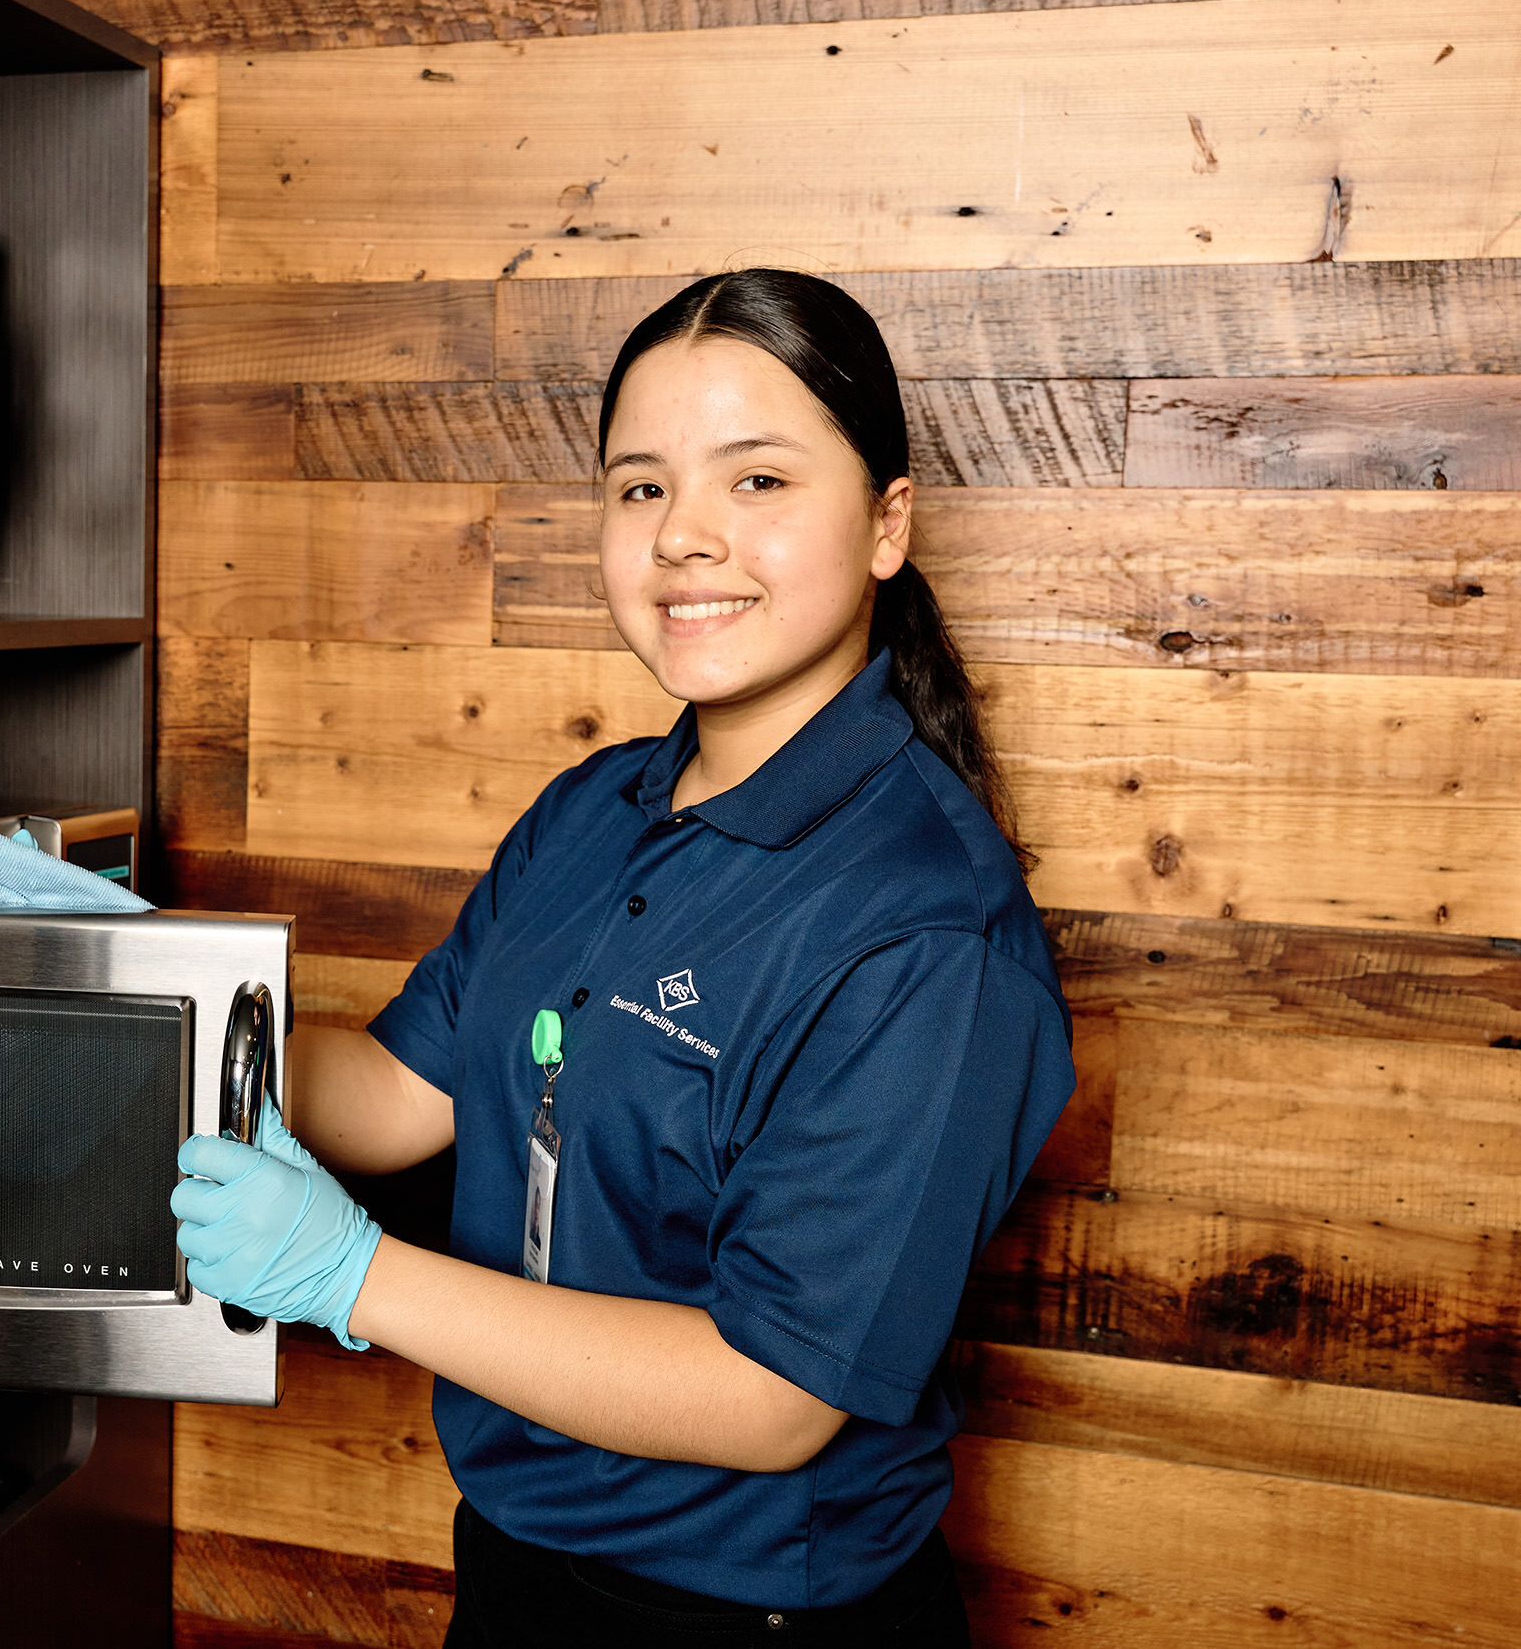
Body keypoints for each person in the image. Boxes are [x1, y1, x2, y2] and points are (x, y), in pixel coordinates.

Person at [169, 269, 1076, 1645]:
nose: (684, 539)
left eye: (758, 482)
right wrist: (133, 1003)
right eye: (640, 488)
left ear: (888, 522)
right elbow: (400, 1098)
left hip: (750, 1617)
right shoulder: (589, 817)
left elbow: (769, 1399)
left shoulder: (927, 928)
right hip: (518, 1569)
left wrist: (352, 1277)